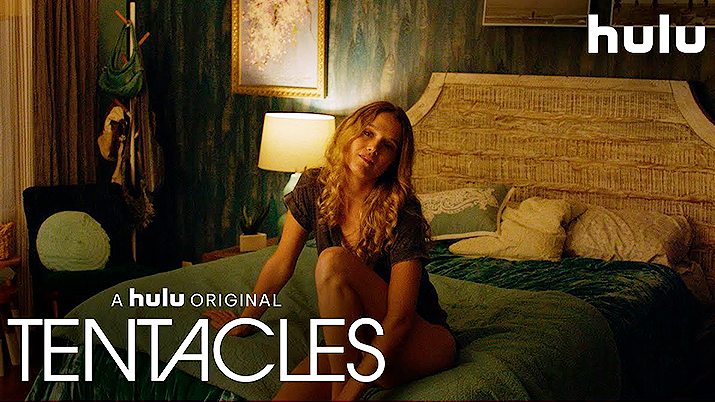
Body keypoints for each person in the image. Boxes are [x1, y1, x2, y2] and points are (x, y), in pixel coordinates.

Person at [203, 101, 456, 401]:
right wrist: (246, 320)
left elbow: (400, 318)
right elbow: (281, 263)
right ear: (349, 132)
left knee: (332, 260)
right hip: (358, 336)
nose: (373, 148)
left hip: (417, 342)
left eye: (388, 145)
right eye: (368, 133)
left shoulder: (403, 211)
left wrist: (349, 394)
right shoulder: (314, 186)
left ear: (394, 160)